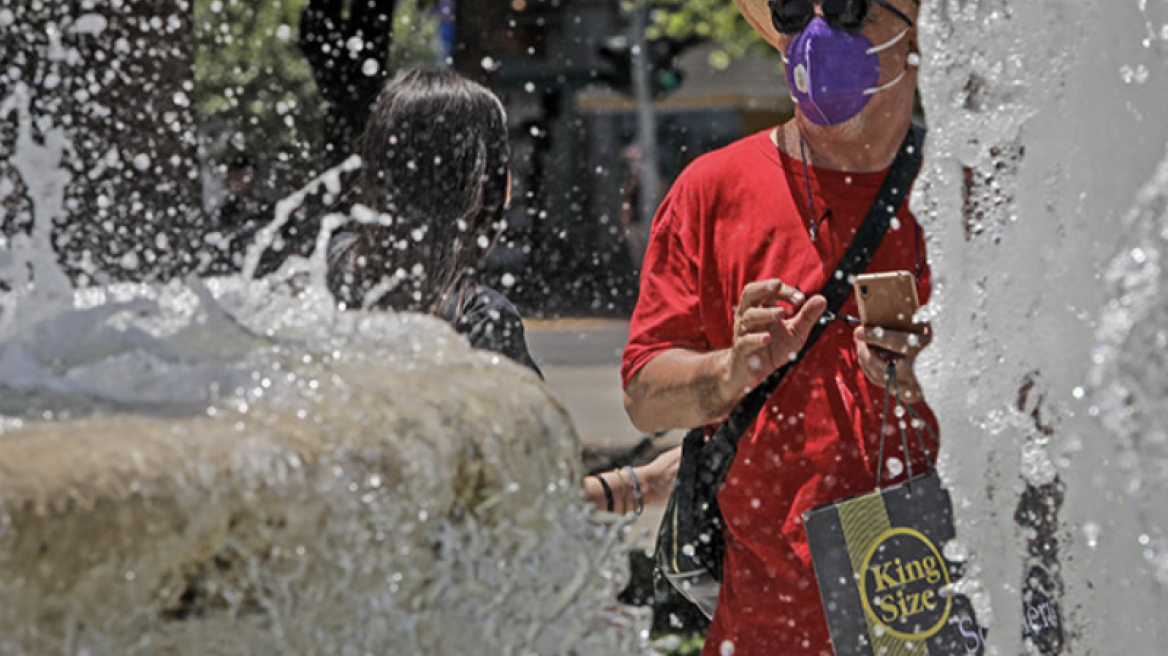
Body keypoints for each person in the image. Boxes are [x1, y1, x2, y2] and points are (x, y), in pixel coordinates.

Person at [620, 1, 935, 654]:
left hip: (930, 613)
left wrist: (943, 374)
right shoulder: (713, 189)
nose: (817, 33)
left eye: (847, 8)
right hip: (765, 628)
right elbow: (645, 395)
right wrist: (731, 370)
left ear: (914, 29)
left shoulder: (965, 193)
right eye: (794, 8)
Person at [327, 66, 678, 514]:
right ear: (485, 186)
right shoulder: (477, 322)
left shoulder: (325, 271)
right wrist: (643, 484)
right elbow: (535, 501)